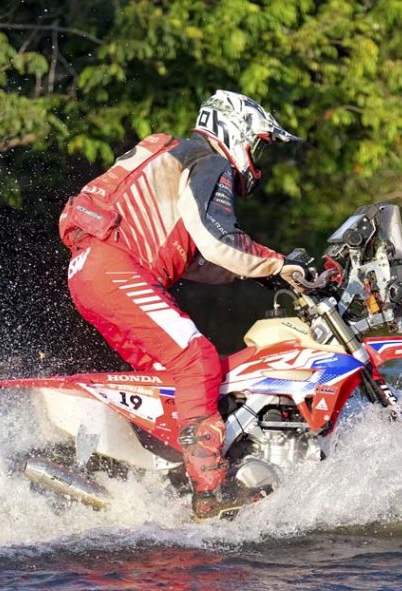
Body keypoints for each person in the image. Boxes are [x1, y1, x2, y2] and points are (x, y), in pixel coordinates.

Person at [58, 89, 308, 520]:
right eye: (258, 145)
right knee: (197, 360)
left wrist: (267, 271)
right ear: (236, 130)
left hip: (92, 269)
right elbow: (216, 239)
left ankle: (164, 486)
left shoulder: (177, 155)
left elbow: (200, 259)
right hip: (112, 267)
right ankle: (211, 492)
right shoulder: (209, 160)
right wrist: (279, 262)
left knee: (173, 387)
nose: (257, 160)